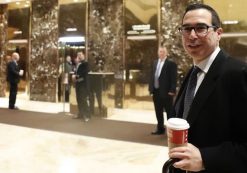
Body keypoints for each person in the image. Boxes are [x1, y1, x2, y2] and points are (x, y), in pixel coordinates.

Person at [168, 3, 247, 173]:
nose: (192, 35)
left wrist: (205, 158)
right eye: (186, 29)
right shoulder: (193, 72)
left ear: (218, 33)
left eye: (201, 28)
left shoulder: (238, 73)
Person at [149, 46, 177, 135]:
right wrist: (151, 89)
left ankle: (171, 131)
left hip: (167, 92)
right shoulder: (155, 62)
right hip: (156, 92)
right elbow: (152, 76)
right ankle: (160, 129)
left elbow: (174, 78)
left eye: (163, 52)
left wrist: (172, 90)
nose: (161, 53)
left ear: (166, 53)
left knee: (169, 113)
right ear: (158, 53)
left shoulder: (171, 64)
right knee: (158, 111)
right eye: (160, 51)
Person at [72, 52, 90, 122]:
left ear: (83, 56)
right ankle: (81, 114)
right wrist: (74, 75)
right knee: (79, 99)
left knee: (83, 100)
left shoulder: (86, 63)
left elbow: (84, 73)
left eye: (81, 55)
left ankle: (87, 115)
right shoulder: (77, 64)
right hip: (78, 84)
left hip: (83, 85)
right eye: (78, 55)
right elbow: (75, 72)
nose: (79, 56)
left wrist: (76, 76)